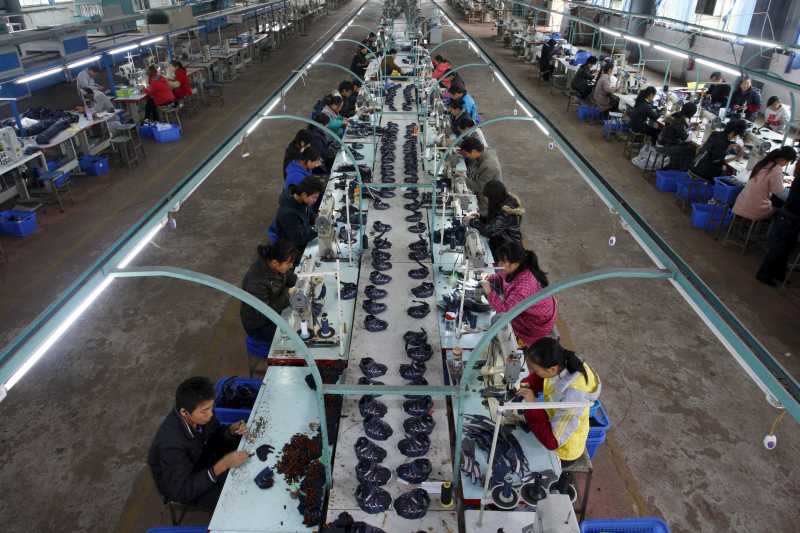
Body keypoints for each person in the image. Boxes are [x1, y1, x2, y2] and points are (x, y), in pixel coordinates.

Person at [517, 338, 601, 499]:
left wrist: (531, 404)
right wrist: (527, 384)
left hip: (563, 449)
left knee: (524, 466)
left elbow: (551, 441)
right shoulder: (565, 361)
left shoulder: (573, 396)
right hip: (556, 423)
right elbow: (543, 377)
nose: (534, 372)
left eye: (536, 369)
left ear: (552, 368)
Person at [148, 377, 249, 510]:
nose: (211, 415)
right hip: (185, 486)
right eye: (204, 411)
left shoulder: (202, 417)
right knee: (236, 497)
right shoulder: (171, 445)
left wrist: (230, 430)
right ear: (184, 412)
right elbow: (182, 491)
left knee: (246, 467)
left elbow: (215, 435)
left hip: (202, 460)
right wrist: (222, 465)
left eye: (211, 408)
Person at [480, 240, 556, 346]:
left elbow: (505, 312)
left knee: (503, 327)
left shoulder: (524, 286)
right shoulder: (519, 266)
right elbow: (503, 275)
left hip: (535, 323)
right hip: (536, 309)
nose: (499, 264)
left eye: (502, 262)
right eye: (499, 260)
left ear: (515, 264)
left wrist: (489, 291)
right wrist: (490, 278)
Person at [240, 241, 299, 343]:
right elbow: (266, 311)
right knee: (295, 337)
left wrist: (299, 281)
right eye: (288, 263)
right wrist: (288, 294)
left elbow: (286, 275)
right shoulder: (256, 282)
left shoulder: (274, 265)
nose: (291, 266)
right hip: (260, 325)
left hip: (275, 305)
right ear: (275, 263)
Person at [757, 163, 800, 286]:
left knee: (786, 248)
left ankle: (778, 274)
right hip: (791, 216)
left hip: (790, 215)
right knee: (779, 247)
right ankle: (764, 274)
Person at [733, 146, 796, 221]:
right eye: (788, 162)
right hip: (755, 209)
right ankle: (764, 230)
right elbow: (780, 192)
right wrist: (792, 194)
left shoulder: (763, 162)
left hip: (740, 203)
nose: (786, 164)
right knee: (781, 208)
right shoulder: (776, 169)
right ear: (784, 160)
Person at [268, 176, 325, 251]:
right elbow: (299, 239)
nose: (315, 200)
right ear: (304, 194)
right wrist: (319, 230)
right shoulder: (288, 214)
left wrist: (316, 219)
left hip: (301, 233)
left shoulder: (302, 200)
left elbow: (309, 214)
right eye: (314, 197)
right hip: (291, 246)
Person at [467, 180, 523, 254]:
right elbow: (494, 220)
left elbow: (489, 231)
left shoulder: (506, 211)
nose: (487, 201)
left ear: (494, 197)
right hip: (502, 242)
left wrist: (472, 221)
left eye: (489, 198)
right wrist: (480, 217)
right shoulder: (503, 200)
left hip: (510, 250)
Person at [459, 136, 503, 216]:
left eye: (466, 154)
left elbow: (479, 187)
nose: (466, 157)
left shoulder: (489, 166)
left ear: (474, 151)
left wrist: (463, 178)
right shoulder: (483, 152)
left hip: (487, 204)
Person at [657, 102, 697, 171]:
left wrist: (688, 126)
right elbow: (687, 139)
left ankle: (675, 166)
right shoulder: (681, 121)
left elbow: (676, 128)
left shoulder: (676, 115)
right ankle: (680, 170)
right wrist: (692, 133)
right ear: (691, 113)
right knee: (692, 149)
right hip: (666, 146)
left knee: (686, 147)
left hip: (661, 141)